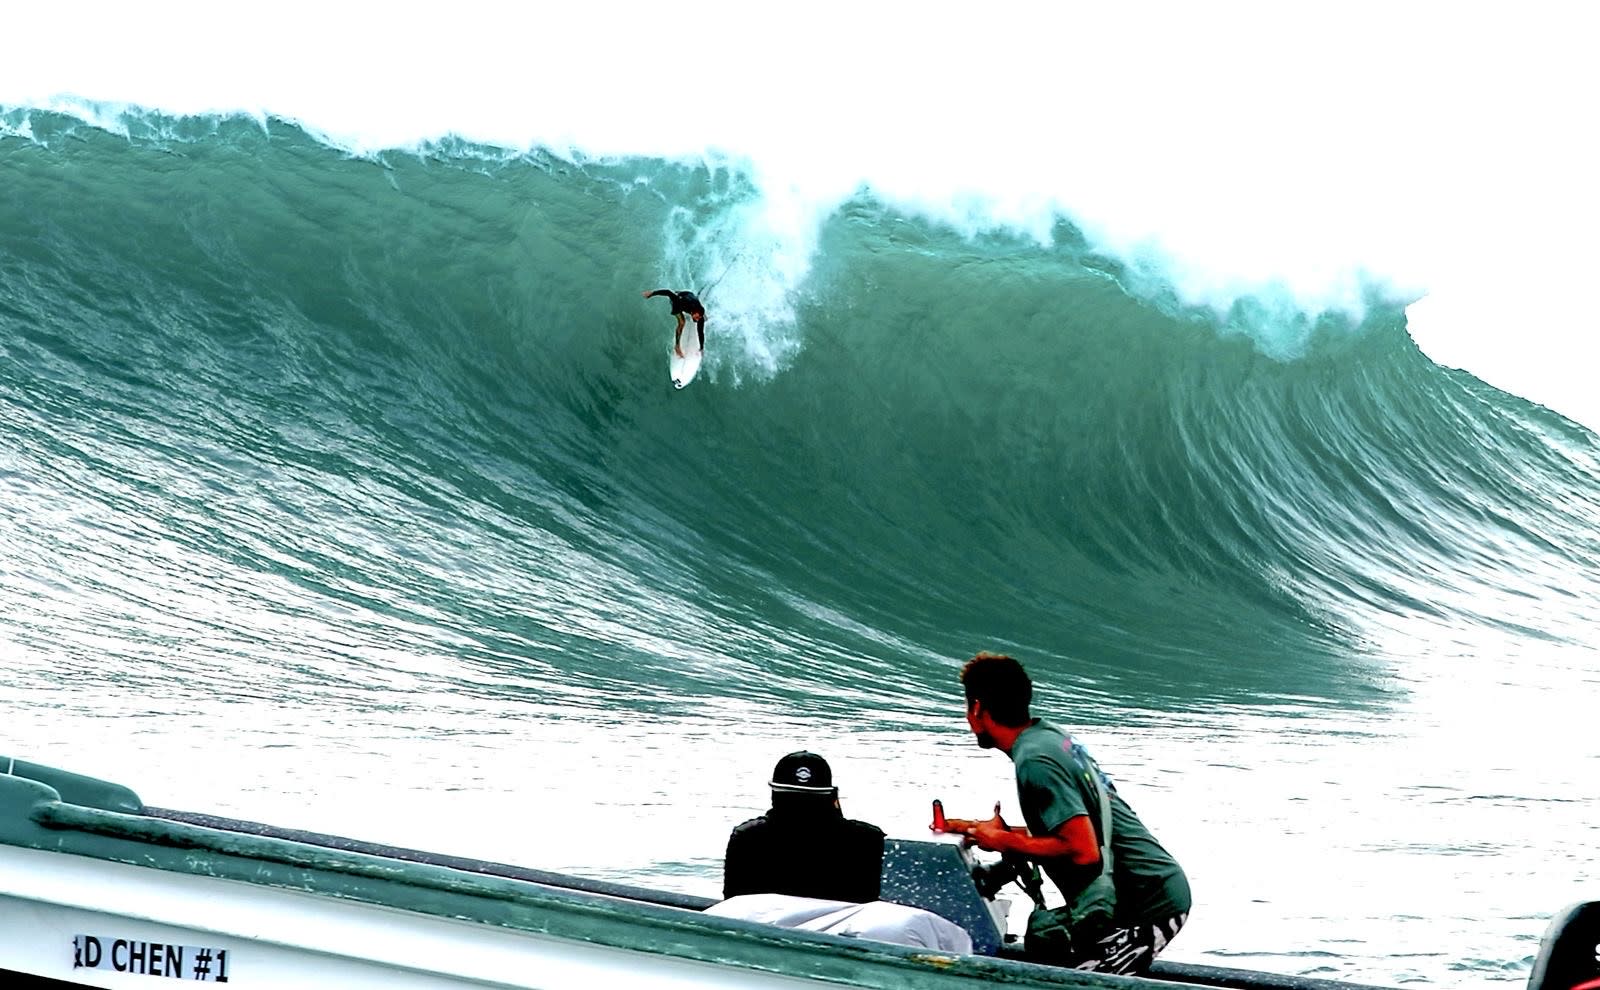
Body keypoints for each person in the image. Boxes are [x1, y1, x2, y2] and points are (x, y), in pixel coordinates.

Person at [937, 652, 1191, 974]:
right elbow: (1075, 831)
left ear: (976, 709)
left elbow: (1083, 851)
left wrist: (1005, 842)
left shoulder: (1035, 761)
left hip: (1149, 902)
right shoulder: (1049, 738)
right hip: (1144, 889)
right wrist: (988, 832)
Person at [723, 751, 885, 904]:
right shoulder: (867, 838)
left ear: (775, 794)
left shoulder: (748, 835)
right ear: (830, 797)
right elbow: (869, 898)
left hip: (764, 920)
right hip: (841, 923)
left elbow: (732, 899)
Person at [642, 288, 706, 359]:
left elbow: (700, 332)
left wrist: (701, 348)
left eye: (699, 318)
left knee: (701, 321)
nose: (697, 319)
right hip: (678, 302)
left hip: (690, 296)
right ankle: (677, 347)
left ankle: (703, 315)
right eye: (697, 317)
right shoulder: (683, 303)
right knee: (682, 322)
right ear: (694, 312)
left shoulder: (699, 315)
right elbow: (668, 292)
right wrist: (652, 293)